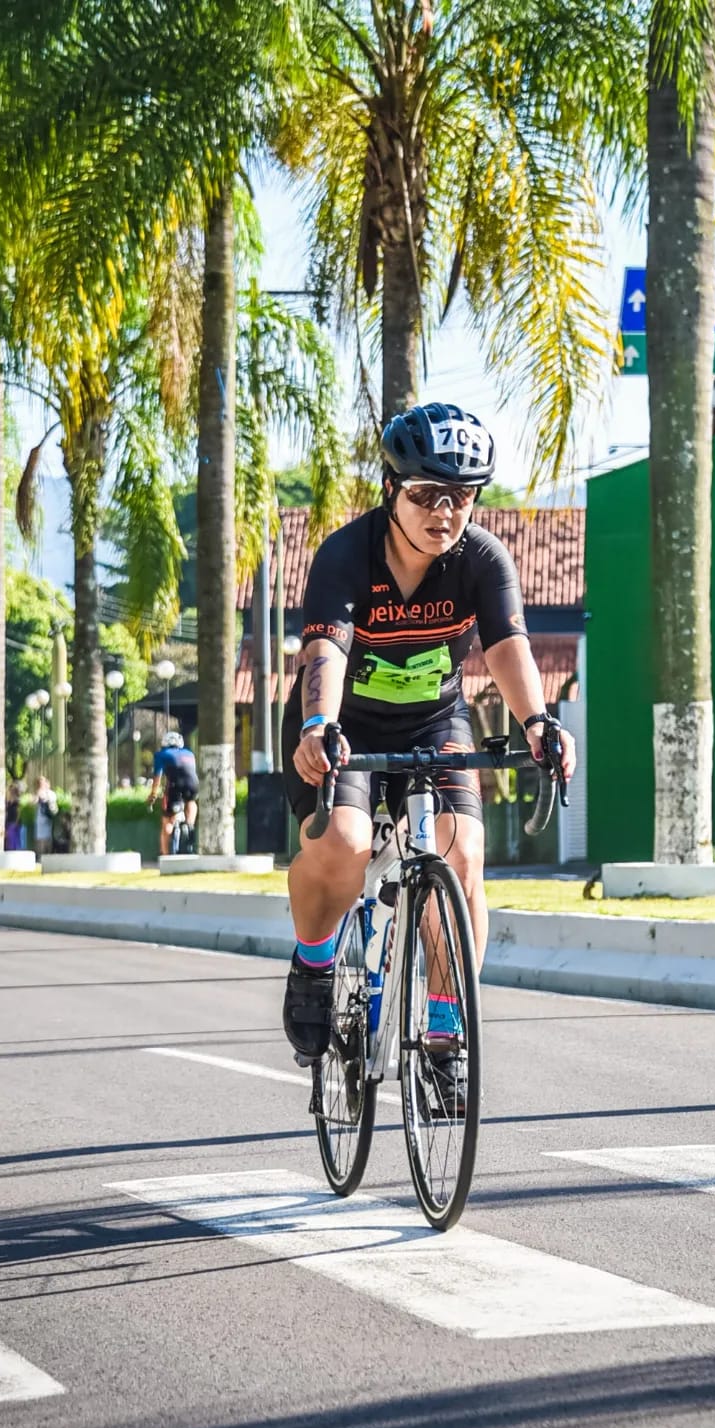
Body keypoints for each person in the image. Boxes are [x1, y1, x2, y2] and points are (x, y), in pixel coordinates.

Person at [279, 402, 575, 1112]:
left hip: (436, 721)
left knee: (462, 850)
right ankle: (315, 964)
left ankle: (443, 1032)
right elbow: (324, 650)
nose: (445, 512)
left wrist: (537, 721)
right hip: (342, 722)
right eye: (427, 495)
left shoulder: (482, 559)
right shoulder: (347, 555)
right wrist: (319, 724)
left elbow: (508, 646)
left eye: (463, 496)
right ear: (392, 489)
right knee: (346, 840)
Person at [147, 731, 199, 855]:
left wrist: (153, 794)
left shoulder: (161, 755)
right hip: (194, 786)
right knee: (191, 801)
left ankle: (165, 855)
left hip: (175, 786)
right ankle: (190, 824)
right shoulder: (189, 754)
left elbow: (157, 777)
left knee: (167, 822)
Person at [33, 775, 58, 856]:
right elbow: (34, 803)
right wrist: (38, 795)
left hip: (48, 818)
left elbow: (53, 806)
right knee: (40, 838)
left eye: (43, 783)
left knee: (47, 838)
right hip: (40, 819)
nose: (42, 785)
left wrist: (44, 797)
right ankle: (40, 855)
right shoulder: (38, 792)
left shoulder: (51, 793)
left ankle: (48, 854)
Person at [4, 781, 22, 850]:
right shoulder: (7, 801)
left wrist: (17, 821)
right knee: (9, 838)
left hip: (14, 821)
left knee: (14, 838)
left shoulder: (17, 801)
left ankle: (14, 850)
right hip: (8, 821)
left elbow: (19, 812)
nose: (11, 792)